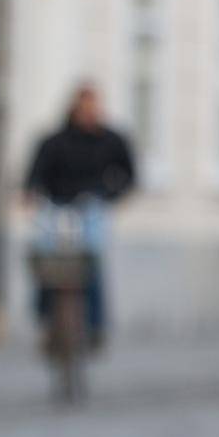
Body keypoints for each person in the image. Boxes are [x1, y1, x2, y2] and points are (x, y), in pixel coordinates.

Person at [25, 84, 137, 349]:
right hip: (58, 206)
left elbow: (129, 174)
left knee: (92, 260)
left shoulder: (110, 140)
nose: (89, 113)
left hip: (92, 207)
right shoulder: (55, 141)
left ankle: (96, 324)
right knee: (47, 259)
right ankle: (45, 318)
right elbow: (35, 173)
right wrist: (31, 192)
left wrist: (112, 195)